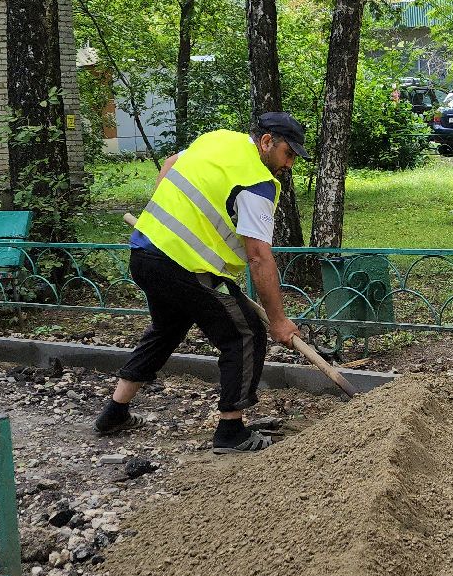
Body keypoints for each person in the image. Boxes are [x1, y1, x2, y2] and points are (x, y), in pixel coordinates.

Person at [93, 112, 304, 452]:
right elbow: (258, 256)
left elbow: (172, 163)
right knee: (245, 333)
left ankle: (114, 412)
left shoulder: (220, 139)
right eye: (288, 154)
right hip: (184, 266)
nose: (290, 163)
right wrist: (278, 321)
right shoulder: (255, 183)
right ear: (267, 142)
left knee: (168, 328)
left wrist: (164, 214)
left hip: (146, 253)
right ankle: (230, 431)